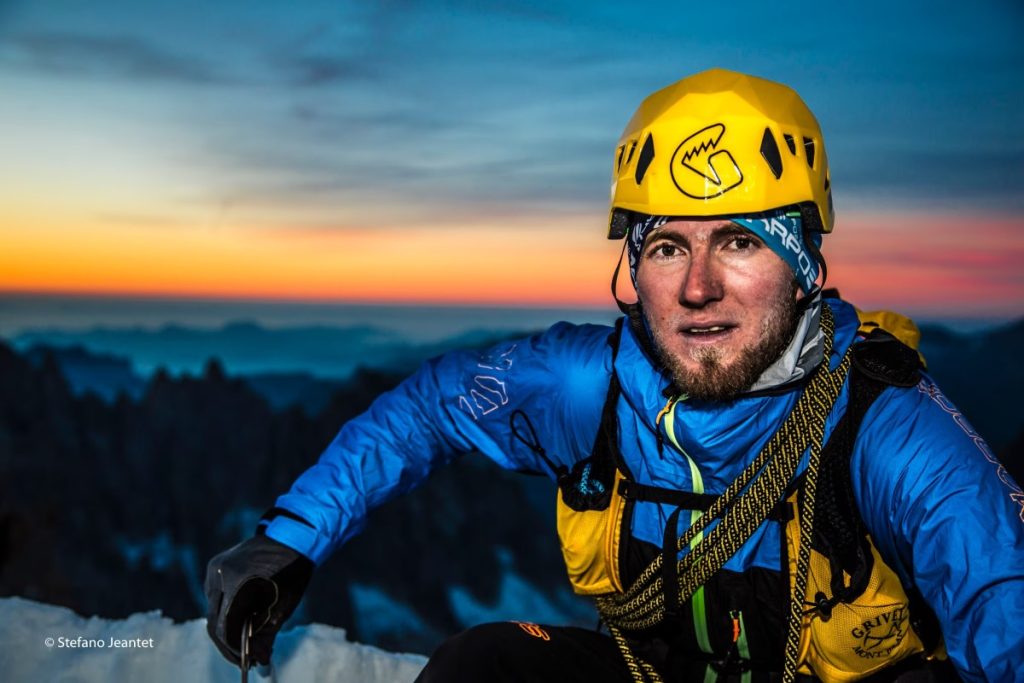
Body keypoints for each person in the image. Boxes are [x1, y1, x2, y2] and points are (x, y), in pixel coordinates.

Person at [204, 68, 1024, 682]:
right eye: (668, 245)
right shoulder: (590, 387)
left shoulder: (886, 428)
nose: (698, 286)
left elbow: (1002, 592)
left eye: (740, 241)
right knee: (482, 669)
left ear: (805, 266)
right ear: (635, 267)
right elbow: (430, 410)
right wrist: (290, 540)